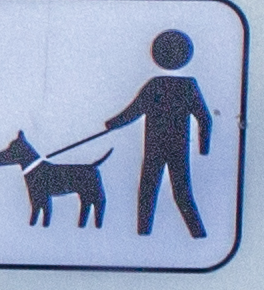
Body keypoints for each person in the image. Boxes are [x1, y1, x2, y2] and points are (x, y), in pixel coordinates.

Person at [91, 28, 221, 243]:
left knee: (167, 192)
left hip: (166, 147)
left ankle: (195, 236)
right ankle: (144, 237)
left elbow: (204, 119)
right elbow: (135, 111)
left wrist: (204, 149)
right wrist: (112, 124)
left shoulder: (169, 86)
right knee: (156, 191)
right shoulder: (169, 86)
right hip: (162, 148)